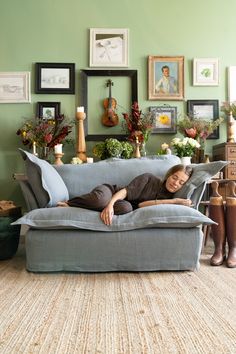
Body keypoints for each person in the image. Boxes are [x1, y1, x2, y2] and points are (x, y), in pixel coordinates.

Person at [57, 164, 193, 225]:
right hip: (112, 192)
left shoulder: (169, 198)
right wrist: (110, 205)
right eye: (175, 177)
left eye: (181, 183)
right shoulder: (149, 178)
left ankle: (82, 206)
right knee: (101, 200)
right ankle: (70, 203)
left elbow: (141, 205)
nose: (176, 184)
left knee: (126, 209)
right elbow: (125, 192)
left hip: (124, 204)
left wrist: (174, 202)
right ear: (169, 175)